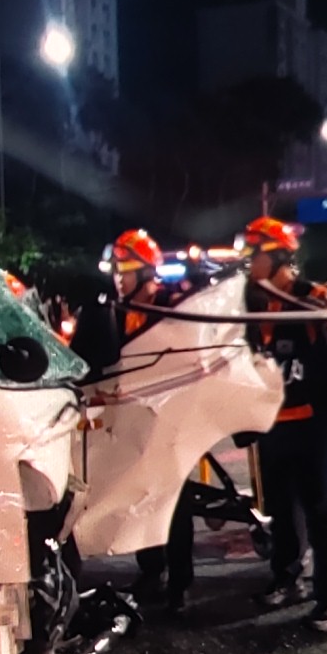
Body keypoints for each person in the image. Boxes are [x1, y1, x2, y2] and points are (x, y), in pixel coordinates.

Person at [238, 217, 327, 631]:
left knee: (321, 510)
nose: (249, 263)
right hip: (272, 423)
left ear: (277, 255)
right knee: (281, 509)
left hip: (311, 423)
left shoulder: (311, 296)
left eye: (255, 255)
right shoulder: (252, 301)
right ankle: (287, 577)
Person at [77, 229, 198, 610]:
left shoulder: (174, 309)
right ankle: (152, 568)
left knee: (175, 504)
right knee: (141, 497)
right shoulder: (112, 311)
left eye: (125, 270)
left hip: (172, 421)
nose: (119, 278)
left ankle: (180, 582)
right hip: (132, 421)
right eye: (116, 271)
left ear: (146, 272)